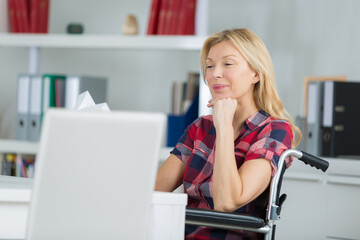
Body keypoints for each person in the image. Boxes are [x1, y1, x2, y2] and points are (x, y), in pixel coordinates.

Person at [155, 28, 301, 240]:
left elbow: (227, 202)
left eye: (228, 64)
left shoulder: (274, 130)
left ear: (256, 73)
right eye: (209, 66)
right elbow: (155, 191)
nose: (215, 73)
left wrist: (223, 126)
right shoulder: (200, 128)